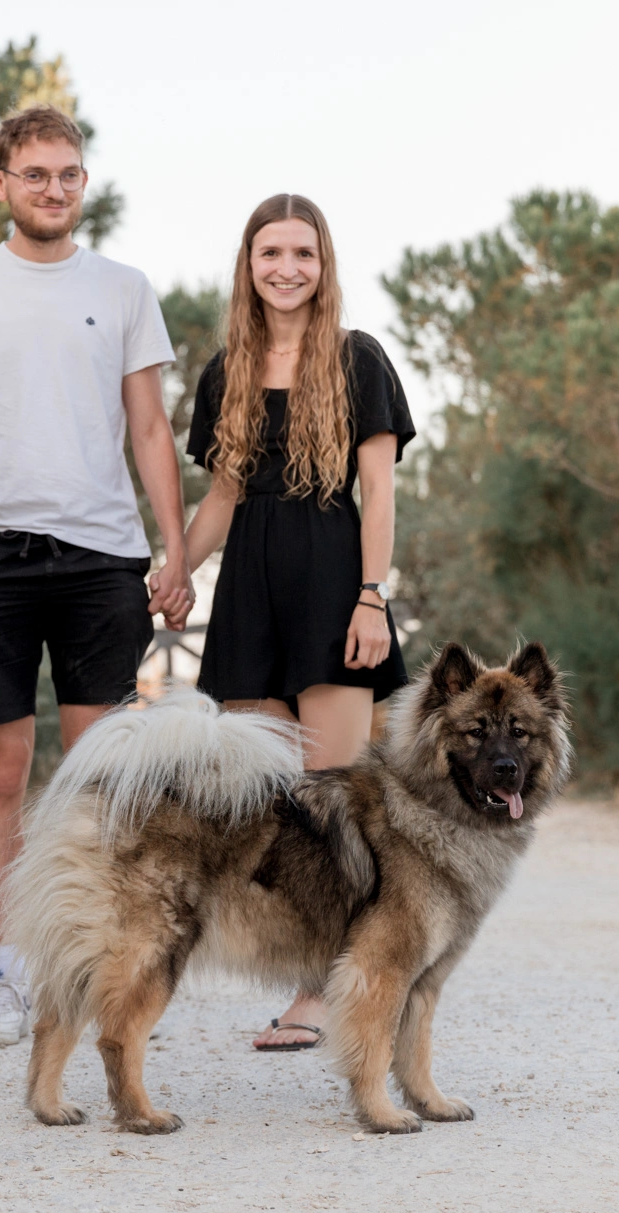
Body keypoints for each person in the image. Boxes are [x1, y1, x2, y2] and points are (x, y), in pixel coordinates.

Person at [0, 105, 194, 1048]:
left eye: (67, 174)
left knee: (97, 776)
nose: (53, 188)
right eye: (35, 174)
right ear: (2, 184)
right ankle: (8, 975)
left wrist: (177, 549)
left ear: (83, 183)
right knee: (1, 770)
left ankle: (91, 971)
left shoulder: (125, 289)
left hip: (101, 556)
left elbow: (150, 428)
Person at [180, 193, 415, 1051]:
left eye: (303, 254)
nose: (287, 268)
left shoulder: (358, 358)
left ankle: (329, 992)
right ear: (249, 265)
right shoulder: (225, 371)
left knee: (335, 802)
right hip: (248, 590)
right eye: (271, 253)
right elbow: (222, 497)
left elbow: (379, 491)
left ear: (324, 265)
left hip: (331, 584)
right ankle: (310, 971)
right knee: (271, 806)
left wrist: (372, 597)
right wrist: (172, 569)